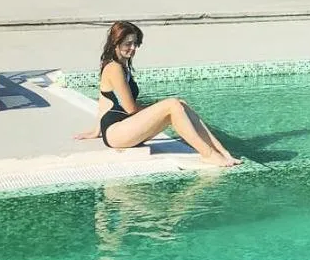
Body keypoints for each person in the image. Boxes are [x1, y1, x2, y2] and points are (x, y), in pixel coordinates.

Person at [75, 21, 241, 168]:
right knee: (172, 104)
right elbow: (130, 108)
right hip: (116, 133)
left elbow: (104, 101)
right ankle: (208, 155)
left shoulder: (122, 67)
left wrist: (96, 130)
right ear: (115, 44)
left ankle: (221, 150)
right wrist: (162, 106)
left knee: (180, 104)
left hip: (124, 129)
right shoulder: (114, 68)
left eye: (135, 43)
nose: (133, 48)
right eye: (128, 44)